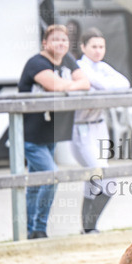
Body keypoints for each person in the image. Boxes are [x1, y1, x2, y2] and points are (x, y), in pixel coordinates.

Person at [18, 24, 90, 239]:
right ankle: (39, 228)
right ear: (45, 43)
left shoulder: (66, 59)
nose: (61, 44)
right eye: (56, 40)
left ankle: (31, 231)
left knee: (36, 183)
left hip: (52, 133)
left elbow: (85, 82)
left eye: (64, 40)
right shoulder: (36, 63)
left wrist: (67, 85)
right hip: (32, 135)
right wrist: (69, 84)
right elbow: (56, 85)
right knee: (52, 177)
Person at [72, 28, 130, 234]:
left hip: (100, 126)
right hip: (82, 128)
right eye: (93, 46)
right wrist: (104, 86)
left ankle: (88, 227)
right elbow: (104, 87)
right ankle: (88, 226)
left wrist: (105, 86)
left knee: (95, 179)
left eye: (101, 46)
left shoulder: (102, 67)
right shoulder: (79, 67)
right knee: (104, 177)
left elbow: (124, 84)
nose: (98, 51)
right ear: (83, 47)